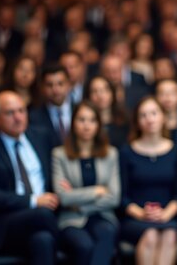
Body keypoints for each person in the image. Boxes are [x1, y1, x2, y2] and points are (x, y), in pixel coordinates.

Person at [0, 91, 59, 264]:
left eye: (21, 111)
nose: (18, 117)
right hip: (3, 222)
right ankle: (65, 238)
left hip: (39, 222)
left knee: (43, 240)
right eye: (10, 113)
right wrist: (33, 201)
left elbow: (55, 171)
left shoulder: (40, 136)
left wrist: (62, 185)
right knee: (43, 215)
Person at [52, 101, 120, 265]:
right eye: (81, 120)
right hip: (71, 219)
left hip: (102, 216)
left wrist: (78, 202)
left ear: (98, 124)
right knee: (84, 245)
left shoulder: (110, 153)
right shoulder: (59, 154)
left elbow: (114, 197)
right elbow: (63, 197)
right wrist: (97, 190)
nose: (86, 125)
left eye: (92, 120)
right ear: (73, 123)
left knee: (107, 233)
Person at [120, 96, 177, 265]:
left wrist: (166, 213)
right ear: (137, 121)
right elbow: (123, 197)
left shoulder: (175, 150)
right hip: (136, 218)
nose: (149, 119)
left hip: (168, 216)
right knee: (151, 234)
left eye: (154, 113)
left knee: (170, 234)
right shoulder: (127, 152)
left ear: (163, 117)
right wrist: (141, 213)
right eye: (143, 115)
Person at [29, 64, 73, 145]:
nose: (55, 90)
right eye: (49, 85)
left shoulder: (80, 109)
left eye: (60, 84)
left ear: (69, 85)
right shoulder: (33, 117)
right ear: (42, 87)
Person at [84, 75, 129, 148]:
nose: (100, 96)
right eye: (94, 91)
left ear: (112, 93)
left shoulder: (125, 120)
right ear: (88, 96)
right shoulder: (85, 123)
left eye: (105, 90)